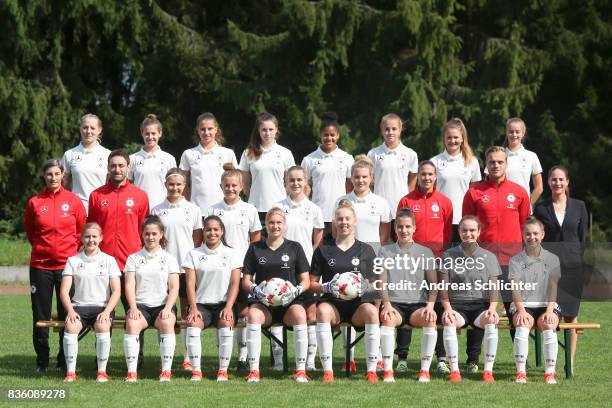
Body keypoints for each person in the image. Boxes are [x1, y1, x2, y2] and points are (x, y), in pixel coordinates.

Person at [88, 149, 149, 369]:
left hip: (130, 265)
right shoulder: (96, 196)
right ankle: (101, 360)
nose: (117, 169)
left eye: (121, 165)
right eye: (113, 165)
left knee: (135, 311)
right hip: (103, 266)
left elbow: (144, 230)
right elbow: (92, 230)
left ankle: (137, 360)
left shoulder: (140, 195)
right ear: (108, 167)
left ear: (128, 167)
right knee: (104, 314)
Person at [25, 159, 87, 373]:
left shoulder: (74, 201)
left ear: (63, 175)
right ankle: (42, 361)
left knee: (66, 314)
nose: (53, 177)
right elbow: (31, 233)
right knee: (40, 315)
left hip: (67, 267)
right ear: (44, 176)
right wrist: (44, 249)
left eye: (56, 173)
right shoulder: (34, 202)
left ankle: (63, 361)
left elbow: (80, 233)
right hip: (40, 266)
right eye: (49, 174)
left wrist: (66, 253)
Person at [311, 200, 381, 383]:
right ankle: (328, 371)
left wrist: (368, 286)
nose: (344, 222)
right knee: (322, 311)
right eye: (340, 219)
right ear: (334, 222)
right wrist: (326, 287)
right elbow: (311, 283)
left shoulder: (366, 250)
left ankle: (372, 370)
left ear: (355, 221)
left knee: (372, 312)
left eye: (348, 219)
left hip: (358, 305)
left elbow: (377, 283)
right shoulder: (323, 249)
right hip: (332, 304)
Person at [394, 160, 452, 374]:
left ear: (436, 176)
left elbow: (447, 234)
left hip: (435, 261)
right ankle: (402, 357)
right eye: (423, 174)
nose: (427, 178)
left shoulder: (444, 202)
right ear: (417, 176)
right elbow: (399, 229)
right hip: (409, 260)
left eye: (430, 174)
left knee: (436, 306)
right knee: (405, 301)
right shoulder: (406, 201)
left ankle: (441, 357)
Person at [241, 208, 311, 383]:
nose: (275, 226)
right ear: (266, 225)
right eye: (271, 222)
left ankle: (301, 370)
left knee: (300, 314)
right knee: (253, 315)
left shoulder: (295, 247)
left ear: (285, 225)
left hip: (289, 303)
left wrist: (295, 291)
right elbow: (246, 281)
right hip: (264, 304)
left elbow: (306, 280)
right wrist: (257, 290)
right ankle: (254, 370)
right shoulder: (255, 247)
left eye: (279, 222)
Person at [462, 146, 530, 322]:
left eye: (500, 162)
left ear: (506, 164)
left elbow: (525, 227)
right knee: (480, 315)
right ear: (486, 165)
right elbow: (467, 228)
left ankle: (520, 351)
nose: (496, 165)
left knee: (518, 315)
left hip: (512, 262)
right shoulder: (474, 193)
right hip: (482, 262)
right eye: (492, 162)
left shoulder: (519, 192)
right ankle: (476, 351)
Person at [335, 155, 390, 369]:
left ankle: (375, 357)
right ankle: (349, 359)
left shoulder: (381, 203)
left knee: (374, 306)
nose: (360, 180)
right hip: (347, 257)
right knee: (346, 299)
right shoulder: (342, 200)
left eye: (364, 177)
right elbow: (336, 231)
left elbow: (384, 236)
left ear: (371, 178)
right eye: (356, 177)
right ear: (352, 177)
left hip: (372, 258)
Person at [534, 165, 588, 371]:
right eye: (553, 179)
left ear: (567, 182)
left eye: (561, 179)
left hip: (573, 268)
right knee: (551, 315)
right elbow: (536, 239)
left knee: (571, 317)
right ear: (548, 182)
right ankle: (552, 362)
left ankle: (570, 363)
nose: (557, 183)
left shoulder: (579, 206)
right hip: (549, 269)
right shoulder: (541, 208)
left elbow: (582, 239)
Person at [208, 167, 262, 371]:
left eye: (234, 185)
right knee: (223, 311)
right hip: (220, 269)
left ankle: (243, 355)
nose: (230, 188)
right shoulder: (213, 209)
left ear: (241, 187)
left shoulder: (250, 210)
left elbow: (255, 238)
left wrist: (251, 264)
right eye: (226, 185)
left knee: (245, 312)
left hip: (243, 269)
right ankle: (223, 355)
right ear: (220, 186)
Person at [272, 166, 324, 371]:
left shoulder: (314, 209)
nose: (295, 183)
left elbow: (319, 232)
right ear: (285, 183)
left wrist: (311, 253)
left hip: (306, 269)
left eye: (299, 180)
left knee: (311, 315)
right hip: (280, 267)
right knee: (276, 311)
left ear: (306, 182)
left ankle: (309, 361)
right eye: (291, 180)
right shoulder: (277, 207)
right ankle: (278, 360)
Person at [378, 208, 438, 383]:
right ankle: (388, 370)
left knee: (430, 319)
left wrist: (430, 306)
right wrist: (387, 305)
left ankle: (424, 371)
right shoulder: (385, 251)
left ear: (414, 228)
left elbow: (434, 286)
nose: (404, 230)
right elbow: (381, 282)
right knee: (388, 318)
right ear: (395, 228)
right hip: (394, 304)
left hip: (417, 306)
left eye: (407, 227)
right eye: (400, 227)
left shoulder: (425, 252)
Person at [151, 168, 203, 371]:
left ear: (184, 186)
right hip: (163, 270)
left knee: (187, 314)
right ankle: (166, 359)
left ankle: (188, 358)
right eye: (171, 184)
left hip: (186, 269)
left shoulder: (194, 209)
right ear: (165, 185)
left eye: (178, 184)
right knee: (164, 314)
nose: (174, 187)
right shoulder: (156, 210)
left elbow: (197, 241)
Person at [438, 215, 502, 382]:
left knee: (491, 320)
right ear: (459, 232)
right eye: (464, 230)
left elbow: (494, 289)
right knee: (449, 321)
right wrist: (448, 309)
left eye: (472, 230)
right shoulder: (448, 255)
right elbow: (442, 288)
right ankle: (454, 371)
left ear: (479, 232)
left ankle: (488, 371)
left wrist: (492, 309)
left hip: (481, 306)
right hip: (457, 306)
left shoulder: (489, 257)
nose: (468, 233)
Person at [59, 223, 121, 382]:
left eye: (94, 236)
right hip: (78, 307)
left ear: (100, 238)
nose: (91, 240)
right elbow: (64, 291)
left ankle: (102, 372)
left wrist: (107, 312)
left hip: (102, 307)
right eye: (87, 236)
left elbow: (116, 291)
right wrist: (71, 312)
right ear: (81, 238)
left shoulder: (110, 260)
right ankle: (71, 373)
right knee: (71, 326)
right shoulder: (72, 260)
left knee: (102, 325)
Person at [183, 216, 242, 381]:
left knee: (227, 323)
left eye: (216, 229)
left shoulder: (232, 253)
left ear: (222, 231)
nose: (212, 233)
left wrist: (229, 307)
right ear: (203, 232)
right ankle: (196, 371)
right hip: (201, 305)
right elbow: (189, 285)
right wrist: (193, 308)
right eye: (208, 229)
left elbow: (235, 284)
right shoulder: (193, 254)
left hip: (224, 304)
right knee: (193, 326)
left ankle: (223, 370)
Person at [123, 216, 180, 382]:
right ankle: (132, 372)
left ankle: (166, 371)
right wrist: (133, 308)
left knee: (167, 322)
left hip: (163, 305)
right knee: (132, 323)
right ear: (142, 235)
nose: (151, 237)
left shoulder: (169, 258)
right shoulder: (133, 258)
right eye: (147, 234)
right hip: (140, 305)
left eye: (154, 233)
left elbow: (174, 287)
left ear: (161, 234)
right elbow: (129, 285)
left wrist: (168, 308)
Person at [509, 217, 561, 384]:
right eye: (528, 234)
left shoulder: (552, 258)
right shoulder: (515, 260)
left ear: (543, 234)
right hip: (523, 305)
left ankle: (549, 373)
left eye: (535, 233)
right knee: (522, 324)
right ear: (523, 236)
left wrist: (550, 311)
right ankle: (521, 372)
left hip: (547, 305)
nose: (532, 237)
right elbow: (515, 289)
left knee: (549, 324)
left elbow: (553, 288)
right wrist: (522, 311)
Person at [301, 112, 354, 240]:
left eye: (332, 135)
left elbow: (350, 188)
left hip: (341, 217)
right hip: (317, 215)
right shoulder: (309, 159)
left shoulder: (347, 158)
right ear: (320, 135)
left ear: (338, 135)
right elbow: (304, 188)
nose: (329, 138)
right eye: (326, 135)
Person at [239, 112, 296, 225]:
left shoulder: (285, 153)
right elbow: (244, 182)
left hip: (279, 207)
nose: (267, 133)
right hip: (255, 208)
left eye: (271, 129)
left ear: (276, 130)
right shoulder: (248, 153)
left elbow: (291, 181)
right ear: (258, 131)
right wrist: (253, 197)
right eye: (264, 130)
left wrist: (284, 198)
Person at [430, 118, 482, 242]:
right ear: (444, 138)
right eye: (449, 137)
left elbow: (474, 194)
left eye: (456, 137)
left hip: (464, 221)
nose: (452, 141)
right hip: (440, 218)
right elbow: (430, 192)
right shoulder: (434, 162)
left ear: (462, 138)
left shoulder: (472, 162)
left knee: (462, 259)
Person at [179, 112, 238, 214]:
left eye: (210, 128)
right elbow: (183, 185)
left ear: (216, 129)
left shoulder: (228, 153)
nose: (206, 132)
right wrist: (189, 206)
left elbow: (236, 183)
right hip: (197, 211)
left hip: (223, 210)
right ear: (197, 130)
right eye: (202, 129)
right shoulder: (188, 154)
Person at [367, 113, 418, 221]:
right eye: (387, 129)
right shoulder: (373, 154)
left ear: (400, 130)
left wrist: (407, 206)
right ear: (382, 131)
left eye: (394, 129)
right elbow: (369, 183)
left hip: (401, 210)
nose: (390, 132)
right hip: (378, 209)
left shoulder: (410, 154)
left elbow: (412, 184)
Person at [61, 114, 111, 212]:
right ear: (80, 129)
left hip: (101, 209)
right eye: (85, 127)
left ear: (99, 130)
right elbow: (63, 183)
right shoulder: (69, 154)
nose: (88, 131)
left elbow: (111, 184)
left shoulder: (108, 154)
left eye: (92, 128)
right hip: (76, 209)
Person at [129, 114, 177, 209]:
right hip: (140, 208)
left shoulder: (169, 158)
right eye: (147, 134)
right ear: (142, 134)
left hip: (164, 209)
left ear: (160, 133)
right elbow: (127, 186)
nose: (150, 137)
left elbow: (175, 185)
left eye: (153, 133)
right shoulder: (133, 158)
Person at [494, 117, 543, 208]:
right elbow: (488, 182)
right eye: (511, 131)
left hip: (522, 210)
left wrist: (528, 204)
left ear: (523, 133)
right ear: (506, 133)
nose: (514, 134)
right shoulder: (497, 155)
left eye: (517, 132)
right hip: (501, 207)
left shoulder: (531, 156)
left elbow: (539, 187)